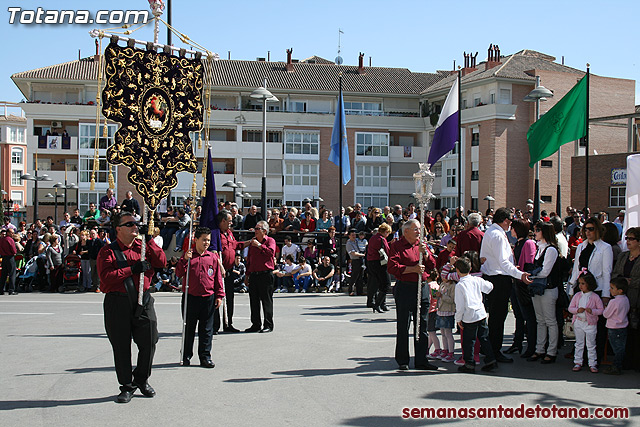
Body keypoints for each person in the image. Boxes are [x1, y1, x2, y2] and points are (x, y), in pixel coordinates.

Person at [97, 212, 166, 403]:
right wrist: (131, 269)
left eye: (136, 224)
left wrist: (150, 239)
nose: (135, 227)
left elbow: (162, 262)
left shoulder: (143, 247)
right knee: (121, 346)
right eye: (130, 224)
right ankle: (127, 385)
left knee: (150, 341)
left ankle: (141, 379)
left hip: (143, 300)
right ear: (118, 229)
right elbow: (106, 278)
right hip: (117, 302)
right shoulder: (107, 251)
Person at [480, 207, 531, 363]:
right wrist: (519, 275)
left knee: (496, 316)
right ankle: (494, 351)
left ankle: (491, 349)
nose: (511, 223)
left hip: (495, 276)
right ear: (504, 220)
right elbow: (503, 262)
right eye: (510, 219)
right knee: (498, 317)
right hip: (499, 279)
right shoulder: (497, 235)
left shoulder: (493, 232)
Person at [387, 219, 438, 371]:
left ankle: (421, 359)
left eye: (420, 229)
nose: (418, 232)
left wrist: (427, 255)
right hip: (405, 288)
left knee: (422, 324)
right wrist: (412, 269)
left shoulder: (421, 245)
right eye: (416, 229)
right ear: (406, 231)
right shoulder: (396, 246)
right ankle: (402, 359)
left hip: (421, 288)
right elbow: (392, 267)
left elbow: (432, 265)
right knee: (404, 325)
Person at [176, 227, 224, 368]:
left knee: (207, 330)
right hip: (191, 297)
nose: (206, 243)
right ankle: (186, 355)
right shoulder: (189, 256)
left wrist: (219, 295)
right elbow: (178, 273)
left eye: (208, 240)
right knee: (189, 328)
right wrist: (184, 260)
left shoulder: (212, 257)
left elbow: (217, 278)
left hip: (208, 297)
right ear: (195, 239)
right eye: (204, 240)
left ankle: (205, 356)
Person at [567, 217, 613, 362]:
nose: (588, 232)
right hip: (581, 289)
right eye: (585, 229)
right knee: (580, 323)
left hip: (597, 289)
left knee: (595, 326)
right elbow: (576, 268)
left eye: (591, 229)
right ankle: (581, 357)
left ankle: (595, 358)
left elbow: (607, 272)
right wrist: (571, 288)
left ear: (598, 230)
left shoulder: (605, 248)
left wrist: (606, 295)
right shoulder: (581, 246)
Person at [454, 257, 498, 373]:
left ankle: (469, 363)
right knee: (484, 337)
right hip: (480, 313)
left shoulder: (460, 285)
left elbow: (460, 305)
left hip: (469, 316)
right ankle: (491, 359)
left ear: (457, 270)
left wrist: (458, 319)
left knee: (469, 341)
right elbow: (489, 287)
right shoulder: (476, 280)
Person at [527, 221, 561, 364]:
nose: (535, 232)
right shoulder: (540, 248)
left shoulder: (551, 249)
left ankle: (551, 351)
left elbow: (546, 271)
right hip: (538, 287)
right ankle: (540, 349)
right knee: (540, 320)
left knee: (550, 321)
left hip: (548, 288)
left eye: (538, 230)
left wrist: (530, 275)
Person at [508, 219, 537, 358]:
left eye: (513, 228)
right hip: (516, 283)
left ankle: (531, 346)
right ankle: (517, 342)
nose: (511, 230)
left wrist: (520, 271)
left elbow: (529, 263)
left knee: (528, 316)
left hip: (523, 284)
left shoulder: (528, 243)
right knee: (518, 315)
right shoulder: (518, 243)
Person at [612, 227, 640, 370]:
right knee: (622, 331)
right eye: (627, 238)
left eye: (632, 238)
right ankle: (623, 361)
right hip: (621, 298)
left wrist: (631, 282)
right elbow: (615, 273)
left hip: (636, 298)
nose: (628, 241)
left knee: (635, 331)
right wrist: (623, 281)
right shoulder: (623, 256)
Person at [568, 271, 604, 373]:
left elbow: (601, 310)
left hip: (590, 324)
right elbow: (570, 308)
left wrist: (592, 311)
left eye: (583, 283)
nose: (580, 286)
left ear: (590, 284)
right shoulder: (577, 295)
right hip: (579, 322)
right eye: (579, 283)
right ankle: (578, 362)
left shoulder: (595, 297)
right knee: (579, 343)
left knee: (591, 344)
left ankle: (592, 363)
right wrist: (576, 310)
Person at [244, 220, 277, 333]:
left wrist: (260, 246)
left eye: (257, 229)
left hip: (265, 274)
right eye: (255, 229)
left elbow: (271, 253)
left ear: (264, 231)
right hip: (254, 275)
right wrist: (247, 275)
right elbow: (250, 260)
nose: (255, 231)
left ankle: (268, 324)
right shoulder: (252, 243)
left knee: (266, 300)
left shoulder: (270, 241)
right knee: (254, 301)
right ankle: (255, 324)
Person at [215, 210, 244, 333]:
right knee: (217, 298)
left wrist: (249, 242)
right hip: (218, 272)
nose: (231, 223)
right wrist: (220, 265)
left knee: (230, 298)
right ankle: (215, 326)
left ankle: (229, 323)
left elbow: (236, 245)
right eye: (230, 221)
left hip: (230, 271)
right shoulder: (215, 234)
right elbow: (213, 251)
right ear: (223, 221)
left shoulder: (230, 234)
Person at [602, 277, 630, 375]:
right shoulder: (626, 299)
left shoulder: (614, 302)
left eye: (612, 288)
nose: (610, 290)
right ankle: (619, 364)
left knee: (617, 349)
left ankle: (616, 366)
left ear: (619, 290)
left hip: (614, 327)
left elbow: (606, 314)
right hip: (623, 326)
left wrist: (605, 308)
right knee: (621, 347)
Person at [366, 223, 391, 312]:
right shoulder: (382, 239)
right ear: (386, 232)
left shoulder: (373, 238)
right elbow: (387, 251)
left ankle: (381, 304)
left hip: (371, 262)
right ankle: (378, 304)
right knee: (386, 284)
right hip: (380, 263)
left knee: (379, 283)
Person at [435, 277, 456, 363]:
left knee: (448, 333)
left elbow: (452, 300)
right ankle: (445, 349)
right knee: (443, 333)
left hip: (448, 311)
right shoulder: (442, 284)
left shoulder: (453, 286)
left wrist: (442, 296)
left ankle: (451, 352)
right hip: (440, 310)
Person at [346, 230, 365, 297]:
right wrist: (363, 255)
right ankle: (351, 290)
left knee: (360, 277)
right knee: (354, 276)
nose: (354, 236)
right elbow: (353, 253)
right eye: (352, 235)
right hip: (355, 260)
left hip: (360, 259)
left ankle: (360, 291)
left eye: (355, 235)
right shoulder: (349, 243)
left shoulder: (357, 241)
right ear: (349, 236)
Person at [0, 228, 18, 295]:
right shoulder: (10, 240)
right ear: (8, 233)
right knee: (12, 274)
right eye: (11, 233)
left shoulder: (1, 240)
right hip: (10, 257)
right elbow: (13, 250)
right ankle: (11, 290)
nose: (12, 234)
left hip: (4, 257)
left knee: (3, 275)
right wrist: (14, 252)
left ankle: (1, 289)